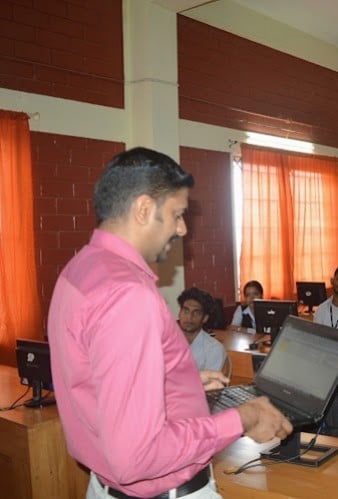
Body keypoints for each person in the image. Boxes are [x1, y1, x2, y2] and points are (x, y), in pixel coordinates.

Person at [46, 147, 291, 499]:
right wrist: (244, 418)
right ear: (144, 209)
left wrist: (176, 382)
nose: (182, 228)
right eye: (177, 214)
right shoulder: (128, 295)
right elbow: (137, 455)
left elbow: (97, 379)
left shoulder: (80, 271)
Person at [178, 287, 228, 371]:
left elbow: (210, 383)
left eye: (196, 313)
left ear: (205, 318)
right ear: (179, 313)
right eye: (186, 311)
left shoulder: (214, 349)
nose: (189, 317)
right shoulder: (166, 343)